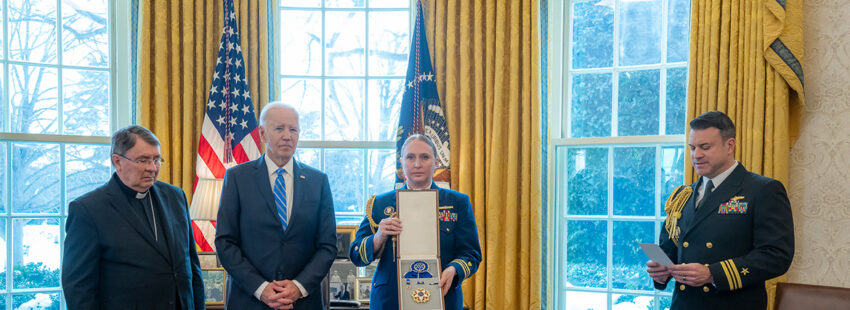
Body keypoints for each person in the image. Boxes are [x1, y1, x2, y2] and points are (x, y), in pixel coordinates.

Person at [646, 111, 794, 309]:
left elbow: (776, 256)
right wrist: (661, 269)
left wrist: (712, 274)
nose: (696, 155)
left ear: (729, 145)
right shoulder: (683, 195)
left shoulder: (762, 190)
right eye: (692, 147)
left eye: (705, 147)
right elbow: (671, 250)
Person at [61, 125, 204, 309]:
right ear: (118, 161)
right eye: (142, 160)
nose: (152, 168)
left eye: (156, 159)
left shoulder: (176, 197)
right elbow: (78, 289)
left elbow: (192, 265)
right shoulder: (88, 209)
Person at [215, 102, 336, 310]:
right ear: (262, 134)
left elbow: (327, 246)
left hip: (303, 302)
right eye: (279, 128)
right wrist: (261, 288)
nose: (288, 135)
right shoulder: (237, 178)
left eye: (293, 129)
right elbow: (225, 242)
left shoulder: (318, 181)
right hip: (250, 300)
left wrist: (298, 287)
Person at [349, 134, 482, 310]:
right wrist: (378, 237)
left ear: (435, 162)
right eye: (410, 157)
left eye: (424, 157)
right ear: (402, 162)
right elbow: (356, 254)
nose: (417, 164)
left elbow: (471, 253)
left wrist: (453, 269)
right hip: (390, 299)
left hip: (442, 296)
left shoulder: (457, 202)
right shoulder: (379, 204)